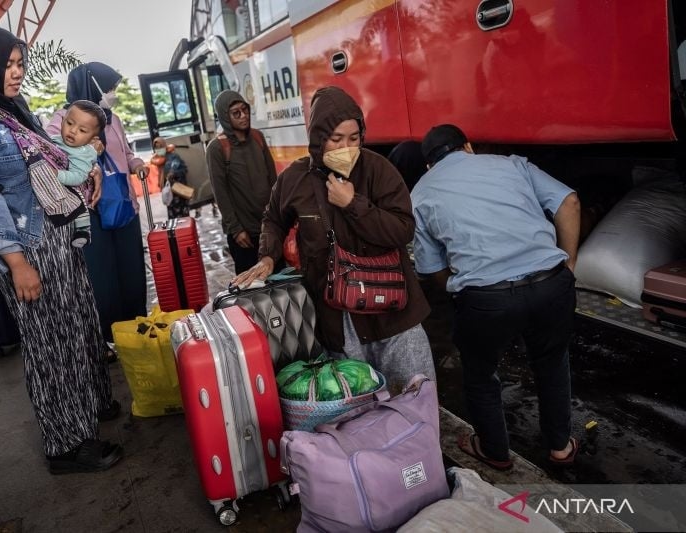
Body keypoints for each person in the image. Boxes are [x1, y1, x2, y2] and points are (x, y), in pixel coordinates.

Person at [0, 24, 122, 474]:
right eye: (7, 64)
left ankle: (90, 405)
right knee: (50, 344)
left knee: (78, 325)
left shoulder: (7, 109)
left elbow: (55, 154)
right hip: (26, 248)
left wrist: (86, 170)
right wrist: (16, 263)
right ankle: (66, 444)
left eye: (19, 63)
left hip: (54, 235)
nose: (17, 72)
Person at [232, 86, 436, 391]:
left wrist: (353, 204)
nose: (347, 148)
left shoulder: (379, 170)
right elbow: (273, 219)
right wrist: (267, 256)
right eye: (336, 139)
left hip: (393, 316)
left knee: (414, 398)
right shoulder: (295, 179)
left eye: (354, 139)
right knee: (359, 409)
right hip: (337, 319)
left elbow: (403, 229)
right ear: (317, 138)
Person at [411, 124, 581, 470]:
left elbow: (430, 267)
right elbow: (570, 201)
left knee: (479, 372)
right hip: (550, 283)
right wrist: (569, 263)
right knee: (552, 361)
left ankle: (495, 451)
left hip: (487, 299)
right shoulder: (512, 164)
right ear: (468, 147)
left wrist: (458, 290)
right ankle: (560, 446)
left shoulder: (421, 192)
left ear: (429, 165)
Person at [46, 63, 148, 356]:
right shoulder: (63, 120)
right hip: (90, 213)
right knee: (103, 279)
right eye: (110, 88)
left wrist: (136, 164)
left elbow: (125, 154)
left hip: (123, 207)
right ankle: (112, 340)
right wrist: (88, 154)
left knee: (132, 273)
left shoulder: (113, 120)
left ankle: (137, 331)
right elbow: (53, 158)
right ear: (93, 86)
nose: (113, 94)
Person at [206, 90, 278, 274]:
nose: (244, 116)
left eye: (245, 110)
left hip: (269, 228)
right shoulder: (216, 148)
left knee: (281, 281)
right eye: (236, 113)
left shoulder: (258, 137)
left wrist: (279, 219)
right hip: (244, 234)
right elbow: (220, 193)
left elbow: (273, 180)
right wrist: (236, 229)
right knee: (251, 288)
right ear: (225, 116)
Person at [50, 100, 107, 247]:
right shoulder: (52, 140)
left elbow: (78, 177)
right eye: (69, 123)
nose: (73, 131)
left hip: (73, 189)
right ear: (62, 121)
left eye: (82, 130)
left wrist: (58, 174)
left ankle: (83, 231)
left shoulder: (84, 154)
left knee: (79, 206)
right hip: (55, 193)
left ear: (92, 138)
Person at [153, 136, 190, 219]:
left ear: (165, 146)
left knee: (183, 217)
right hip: (170, 194)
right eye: (156, 147)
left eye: (160, 147)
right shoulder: (159, 161)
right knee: (173, 218)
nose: (158, 149)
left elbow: (184, 170)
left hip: (179, 191)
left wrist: (174, 173)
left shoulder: (174, 157)